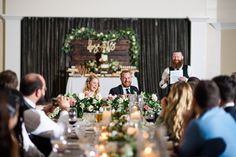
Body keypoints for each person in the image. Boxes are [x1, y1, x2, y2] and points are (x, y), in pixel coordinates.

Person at [178, 80, 236, 157]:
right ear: (218, 101)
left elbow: (182, 154)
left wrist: (186, 122)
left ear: (194, 102)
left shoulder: (197, 124)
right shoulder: (229, 117)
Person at [20, 73, 70, 156]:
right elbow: (61, 133)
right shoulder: (31, 114)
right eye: (44, 88)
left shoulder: (20, 104)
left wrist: (44, 111)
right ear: (37, 92)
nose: (45, 90)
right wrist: (65, 109)